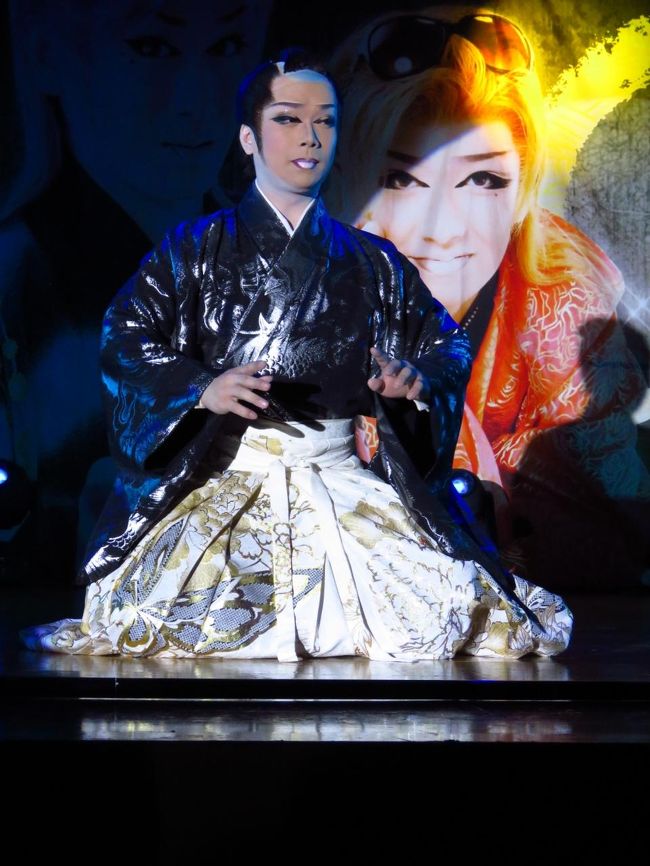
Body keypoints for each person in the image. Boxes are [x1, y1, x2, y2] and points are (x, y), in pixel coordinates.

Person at [20, 50, 572, 661]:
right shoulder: (193, 248)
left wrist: (413, 380)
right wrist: (200, 388)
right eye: (288, 119)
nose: (310, 136)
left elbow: (445, 342)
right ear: (248, 138)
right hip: (224, 478)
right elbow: (127, 335)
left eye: (326, 120)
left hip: (339, 477)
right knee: (151, 621)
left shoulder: (374, 261)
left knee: (455, 614)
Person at [327, 8, 650, 588]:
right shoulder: (295, 294)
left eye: (482, 181)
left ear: (523, 188)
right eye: (401, 180)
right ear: (343, 180)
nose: (442, 227)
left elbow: (620, 524)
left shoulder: (560, 299)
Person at [0, 0, 269, 581]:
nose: (196, 98)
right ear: (47, 52)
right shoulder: (14, 274)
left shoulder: (273, 260)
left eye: (226, 47)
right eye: (152, 48)